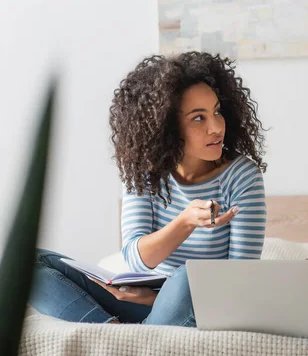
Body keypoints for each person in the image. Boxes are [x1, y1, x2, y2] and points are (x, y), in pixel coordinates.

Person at [29, 51, 267, 326]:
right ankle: (111, 334)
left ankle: (134, 339)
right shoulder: (145, 172)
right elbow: (135, 261)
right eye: (198, 118)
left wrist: (158, 298)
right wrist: (185, 222)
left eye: (216, 111)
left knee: (189, 276)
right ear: (166, 126)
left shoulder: (242, 177)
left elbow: (237, 282)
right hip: (137, 300)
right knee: (30, 263)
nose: (216, 127)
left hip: (193, 302)